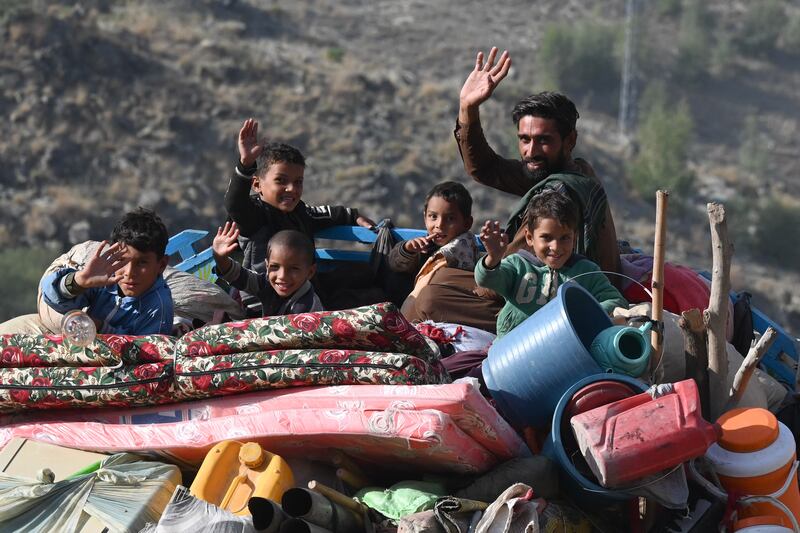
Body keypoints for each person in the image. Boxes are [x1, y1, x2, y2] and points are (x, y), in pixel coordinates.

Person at [454, 47, 621, 280]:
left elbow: (503, 277)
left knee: (435, 288)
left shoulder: (558, 192)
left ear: (570, 140)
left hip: (558, 299)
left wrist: (488, 263)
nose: (531, 151)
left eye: (544, 141)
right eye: (524, 139)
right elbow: (485, 168)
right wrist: (467, 109)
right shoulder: (560, 172)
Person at [224, 119, 374, 314]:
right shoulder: (254, 214)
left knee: (366, 282)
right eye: (281, 180)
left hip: (305, 292)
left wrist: (353, 216)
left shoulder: (300, 212)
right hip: (267, 303)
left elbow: (325, 214)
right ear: (257, 185)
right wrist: (245, 165)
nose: (291, 189)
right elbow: (234, 204)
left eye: (298, 182)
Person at [475, 190, 627, 338]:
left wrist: (582, 314)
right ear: (529, 237)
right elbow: (486, 279)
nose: (556, 247)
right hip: (513, 349)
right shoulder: (517, 265)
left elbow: (616, 301)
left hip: (563, 349)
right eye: (546, 238)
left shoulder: (586, 271)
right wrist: (493, 259)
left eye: (565, 238)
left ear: (575, 237)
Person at [0, 208, 174, 336]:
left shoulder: (158, 306)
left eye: (141, 263)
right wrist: (79, 281)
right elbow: (53, 298)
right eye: (122, 261)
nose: (129, 272)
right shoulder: (104, 277)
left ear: (161, 264)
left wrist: (101, 328)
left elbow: (146, 353)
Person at [387, 181, 480, 319]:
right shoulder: (422, 246)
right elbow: (395, 264)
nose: (439, 225)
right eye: (433, 216)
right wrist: (408, 249)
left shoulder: (464, 252)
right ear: (425, 217)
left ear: (467, 223)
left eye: (450, 219)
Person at [212, 222, 322, 316]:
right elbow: (239, 276)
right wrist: (220, 258)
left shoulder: (308, 307)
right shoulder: (266, 283)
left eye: (294, 269)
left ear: (310, 272)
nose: (282, 276)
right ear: (267, 266)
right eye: (275, 267)